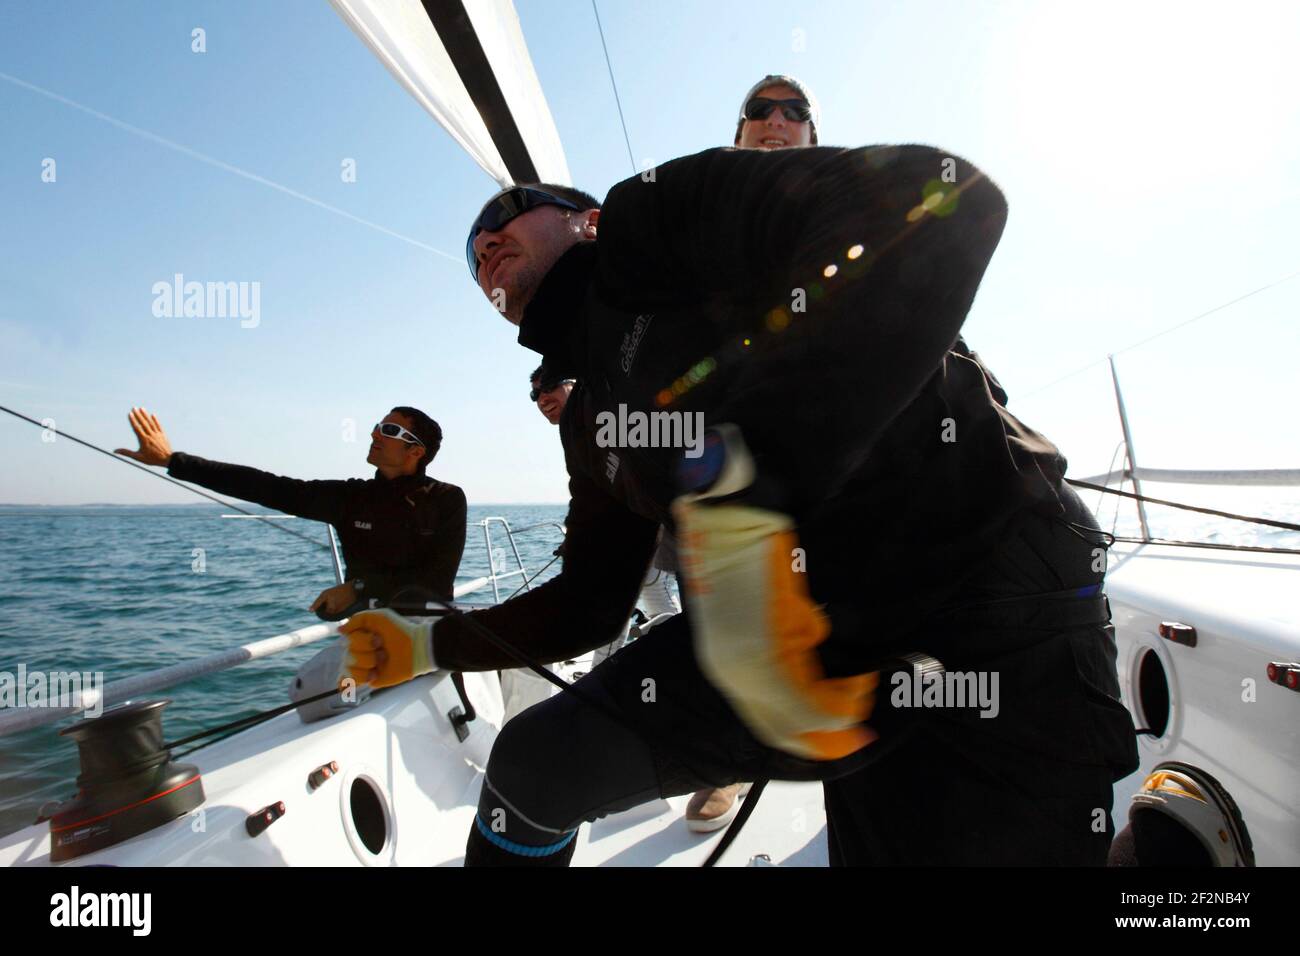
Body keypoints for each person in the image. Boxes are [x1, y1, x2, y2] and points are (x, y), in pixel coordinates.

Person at [342, 142, 1139, 866]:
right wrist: (430, 642)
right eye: (473, 255)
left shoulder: (652, 217)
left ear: (584, 219)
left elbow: (940, 196)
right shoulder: (591, 424)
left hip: (990, 584)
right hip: (810, 646)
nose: (484, 246)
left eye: (504, 216)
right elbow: (589, 604)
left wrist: (748, 499)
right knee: (533, 767)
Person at [117, 406, 466, 617]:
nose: (375, 433)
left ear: (415, 451)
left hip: (428, 628)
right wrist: (172, 461)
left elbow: (435, 581)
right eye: (377, 426)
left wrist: (357, 588)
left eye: (389, 430)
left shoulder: (447, 499)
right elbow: (267, 486)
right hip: (367, 629)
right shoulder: (350, 497)